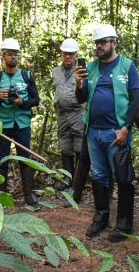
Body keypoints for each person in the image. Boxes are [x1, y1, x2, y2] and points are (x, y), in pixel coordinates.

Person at [74, 24, 139, 242]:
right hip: (93, 132)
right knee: (98, 175)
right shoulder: (91, 67)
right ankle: (101, 217)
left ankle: (124, 223)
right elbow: (81, 98)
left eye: (103, 42)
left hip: (117, 132)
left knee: (122, 177)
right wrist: (78, 83)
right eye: (97, 43)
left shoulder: (127, 66)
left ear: (114, 42)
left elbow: (135, 100)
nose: (99, 47)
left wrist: (126, 128)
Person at [0, 38, 42, 209]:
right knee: (2, 160)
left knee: (24, 158)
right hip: (2, 125)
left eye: (15, 54)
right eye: (10, 54)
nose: (13, 58)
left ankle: (29, 196)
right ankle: (1, 197)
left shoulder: (27, 76)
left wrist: (21, 102)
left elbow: (36, 100)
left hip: (22, 124)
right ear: (3, 56)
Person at [52, 38, 85, 190]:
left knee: (79, 146)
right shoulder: (56, 72)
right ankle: (67, 177)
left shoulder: (82, 71)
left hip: (78, 112)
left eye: (71, 54)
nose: (67, 57)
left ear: (76, 55)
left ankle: (78, 181)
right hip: (62, 114)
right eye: (65, 54)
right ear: (61, 54)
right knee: (65, 147)